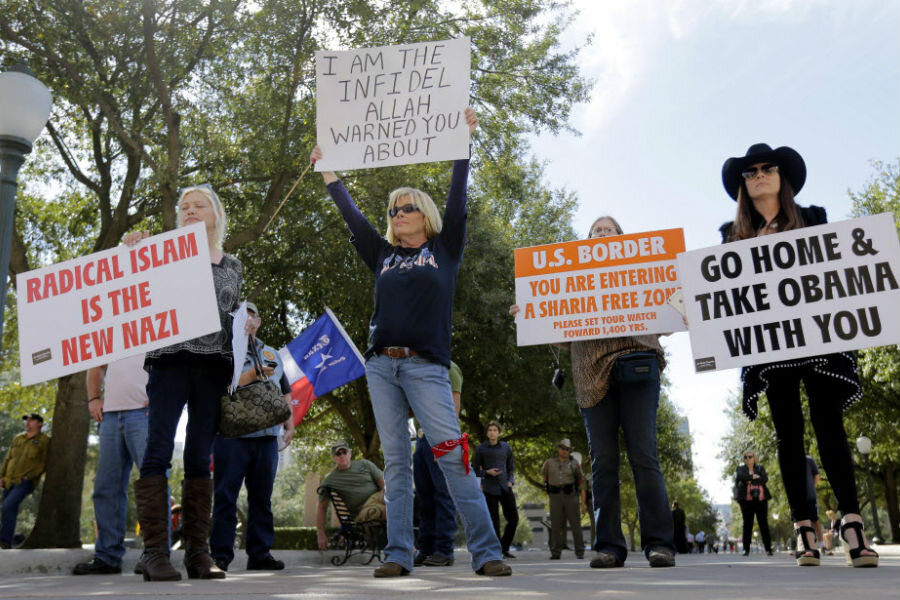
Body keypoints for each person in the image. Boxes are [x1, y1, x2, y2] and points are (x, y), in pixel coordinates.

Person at [311, 108, 510, 578]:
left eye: (406, 208)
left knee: (453, 458)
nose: (397, 215)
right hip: (381, 366)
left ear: (425, 214)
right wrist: (330, 174)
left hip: (426, 367)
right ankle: (399, 554)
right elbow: (353, 218)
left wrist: (464, 140)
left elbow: (458, 196)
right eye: (392, 210)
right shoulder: (381, 254)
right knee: (397, 465)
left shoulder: (445, 249)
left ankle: (487, 553)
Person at [720, 144, 877, 568]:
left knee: (830, 429)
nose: (758, 175)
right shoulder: (730, 236)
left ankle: (852, 525)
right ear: (743, 185)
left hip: (819, 340)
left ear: (781, 175)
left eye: (766, 168)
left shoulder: (814, 218)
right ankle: (804, 529)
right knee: (789, 436)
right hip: (772, 346)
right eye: (750, 171)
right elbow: (723, 297)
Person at [510, 215, 676, 569]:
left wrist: (682, 306)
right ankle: (609, 547)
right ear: (587, 242)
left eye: (609, 230)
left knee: (645, 457)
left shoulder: (642, 269)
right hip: (591, 376)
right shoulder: (572, 282)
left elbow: (667, 320)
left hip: (639, 368)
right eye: (596, 231)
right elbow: (565, 337)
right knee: (603, 463)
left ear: (622, 239)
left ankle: (660, 544)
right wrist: (531, 317)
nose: (602, 234)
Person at [125, 183, 242, 580]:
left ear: (215, 214)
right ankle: (155, 552)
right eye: (184, 206)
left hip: (212, 370)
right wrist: (134, 252)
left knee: (199, 457)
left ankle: (198, 554)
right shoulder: (160, 253)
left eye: (199, 205)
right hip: (168, 363)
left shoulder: (232, 265)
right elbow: (133, 289)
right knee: (157, 448)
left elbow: (230, 317)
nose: (190, 210)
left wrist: (248, 324)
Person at [210, 302, 295, 572]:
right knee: (225, 496)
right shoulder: (222, 352)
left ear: (258, 321)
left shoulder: (271, 353)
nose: (246, 320)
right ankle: (220, 555)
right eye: (239, 317)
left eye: (251, 316)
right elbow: (220, 388)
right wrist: (252, 374)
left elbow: (284, 390)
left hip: (267, 436)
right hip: (232, 434)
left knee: (262, 497)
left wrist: (289, 425)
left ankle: (260, 554)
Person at [73, 355, 149, 574]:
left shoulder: (155, 323)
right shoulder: (111, 329)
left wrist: (163, 398)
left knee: (152, 484)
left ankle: (156, 553)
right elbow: (96, 365)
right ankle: (108, 556)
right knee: (106, 488)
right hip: (110, 416)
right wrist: (94, 398)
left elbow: (173, 364)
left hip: (144, 413)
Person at [413, 360, 463, 567]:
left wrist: (445, 443)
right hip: (421, 439)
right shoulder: (419, 369)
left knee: (443, 495)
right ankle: (426, 549)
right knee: (425, 497)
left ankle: (444, 550)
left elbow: (454, 407)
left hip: (440, 436)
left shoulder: (449, 368)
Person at [316, 441, 385, 550]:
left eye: (344, 452)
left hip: (380, 499)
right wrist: (320, 534)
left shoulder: (365, 464)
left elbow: (384, 485)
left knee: (406, 499)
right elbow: (321, 508)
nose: (342, 456)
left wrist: (388, 496)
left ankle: (415, 549)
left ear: (350, 453)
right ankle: (409, 550)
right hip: (363, 511)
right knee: (393, 509)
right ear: (334, 457)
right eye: (338, 454)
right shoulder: (330, 480)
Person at [0, 414, 50, 549]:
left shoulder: (44, 441)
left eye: (31, 420)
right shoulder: (18, 438)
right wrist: (1, 476)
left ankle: (5, 539)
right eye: (26, 420)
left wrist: (31, 476)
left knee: (7, 507)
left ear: (39, 424)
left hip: (24, 482)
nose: (27, 423)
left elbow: (44, 463)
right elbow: (8, 458)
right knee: (8, 510)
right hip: (9, 480)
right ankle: (9, 541)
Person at [472, 421, 519, 559]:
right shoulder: (481, 449)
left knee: (514, 519)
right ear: (487, 433)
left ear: (499, 433)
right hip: (489, 488)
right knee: (494, 522)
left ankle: (504, 547)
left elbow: (511, 467)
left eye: (495, 430)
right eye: (490, 430)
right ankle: (495, 551)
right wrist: (487, 472)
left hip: (505, 487)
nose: (492, 432)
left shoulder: (506, 447)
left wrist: (511, 481)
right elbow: (474, 470)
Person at [541, 439, 585, 560]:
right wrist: (548, 487)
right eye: (562, 448)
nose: (564, 451)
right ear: (558, 449)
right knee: (555, 525)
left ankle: (580, 551)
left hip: (570, 495)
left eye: (567, 449)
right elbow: (544, 475)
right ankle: (555, 552)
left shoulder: (574, 463)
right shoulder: (549, 462)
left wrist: (582, 502)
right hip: (555, 496)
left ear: (569, 451)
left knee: (575, 524)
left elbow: (580, 480)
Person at [735, 450, 773, 556]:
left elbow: (765, 479)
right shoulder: (740, 469)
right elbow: (741, 477)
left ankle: (768, 548)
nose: (747, 459)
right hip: (746, 501)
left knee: (763, 524)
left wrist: (750, 480)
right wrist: (754, 477)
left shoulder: (760, 468)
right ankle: (746, 549)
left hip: (761, 499)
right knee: (747, 524)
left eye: (750, 457)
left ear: (754, 457)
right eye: (745, 457)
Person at [805, 455, 825, 550]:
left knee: (815, 519)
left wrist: (811, 488)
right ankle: (805, 542)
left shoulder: (809, 459)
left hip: (810, 495)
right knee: (800, 520)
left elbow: (816, 476)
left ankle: (821, 543)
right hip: (796, 497)